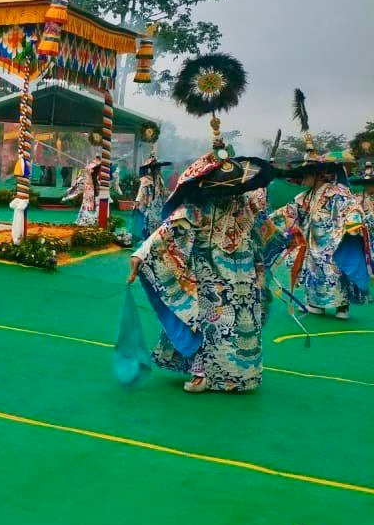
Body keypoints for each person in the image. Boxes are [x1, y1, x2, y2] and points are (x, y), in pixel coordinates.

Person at [128, 151, 272, 392]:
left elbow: (264, 232)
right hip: (215, 273)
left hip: (237, 275)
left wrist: (278, 244)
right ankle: (207, 372)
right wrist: (141, 253)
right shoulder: (202, 208)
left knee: (233, 323)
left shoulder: (243, 205)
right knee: (213, 321)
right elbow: (171, 226)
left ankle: (228, 375)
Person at [264, 155, 370, 319]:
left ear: (318, 175)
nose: (303, 179)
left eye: (306, 175)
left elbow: (352, 207)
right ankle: (315, 304)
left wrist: (353, 221)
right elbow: (289, 211)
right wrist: (268, 219)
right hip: (312, 240)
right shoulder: (306, 196)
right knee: (313, 273)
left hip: (333, 240)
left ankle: (342, 307)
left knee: (334, 273)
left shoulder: (337, 192)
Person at [132, 156, 171, 240]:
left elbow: (163, 192)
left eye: (159, 168)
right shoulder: (146, 180)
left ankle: (155, 240)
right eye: (156, 168)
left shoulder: (160, 179)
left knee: (159, 224)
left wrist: (168, 195)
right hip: (150, 205)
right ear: (152, 169)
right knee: (149, 224)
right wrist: (137, 201)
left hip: (159, 205)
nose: (158, 170)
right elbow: (141, 191)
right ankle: (148, 242)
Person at [62, 157, 103, 227]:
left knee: (90, 217)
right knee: (86, 216)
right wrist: (69, 195)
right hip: (90, 199)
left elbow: (77, 189)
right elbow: (77, 188)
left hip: (95, 200)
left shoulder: (97, 178)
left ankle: (89, 224)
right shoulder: (87, 177)